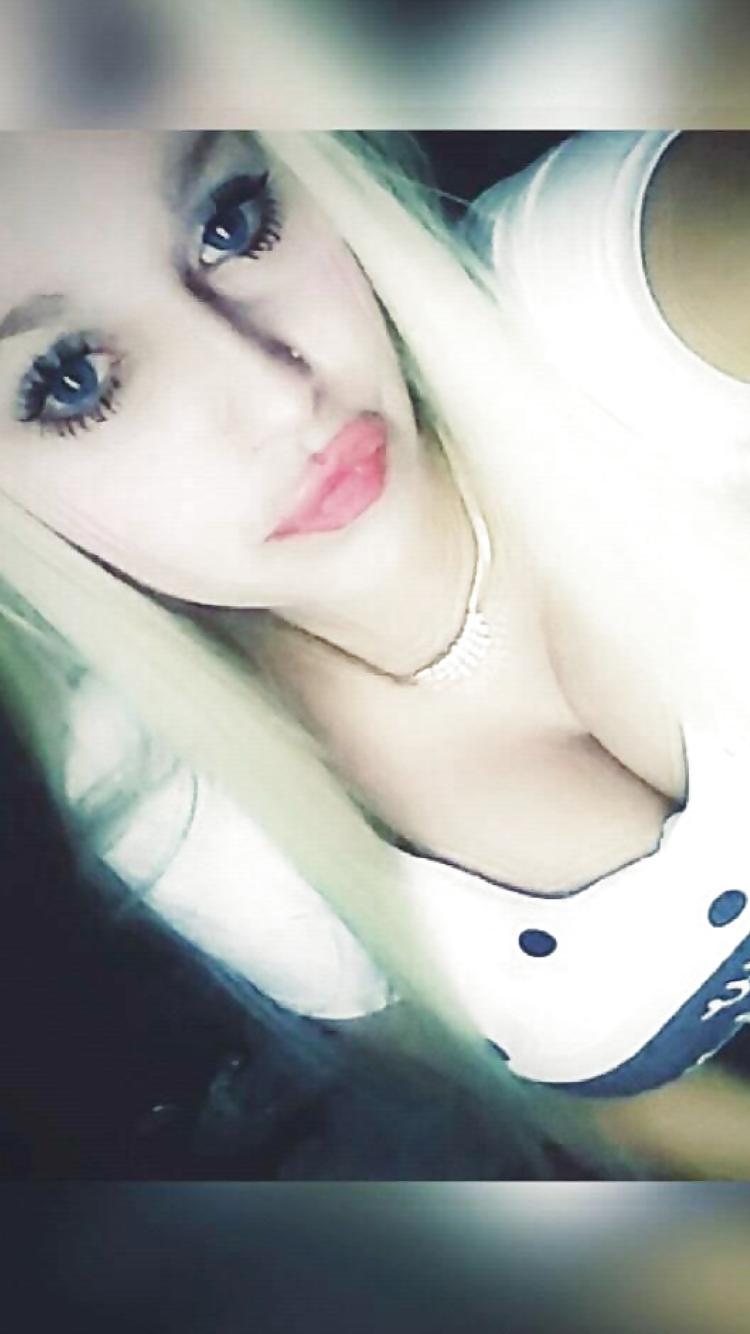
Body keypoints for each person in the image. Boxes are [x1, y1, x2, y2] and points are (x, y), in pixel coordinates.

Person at [2, 130, 750, 1175]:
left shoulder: (599, 301)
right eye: (73, 379)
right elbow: (623, 1113)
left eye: (233, 222)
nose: (278, 396)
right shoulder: (172, 800)